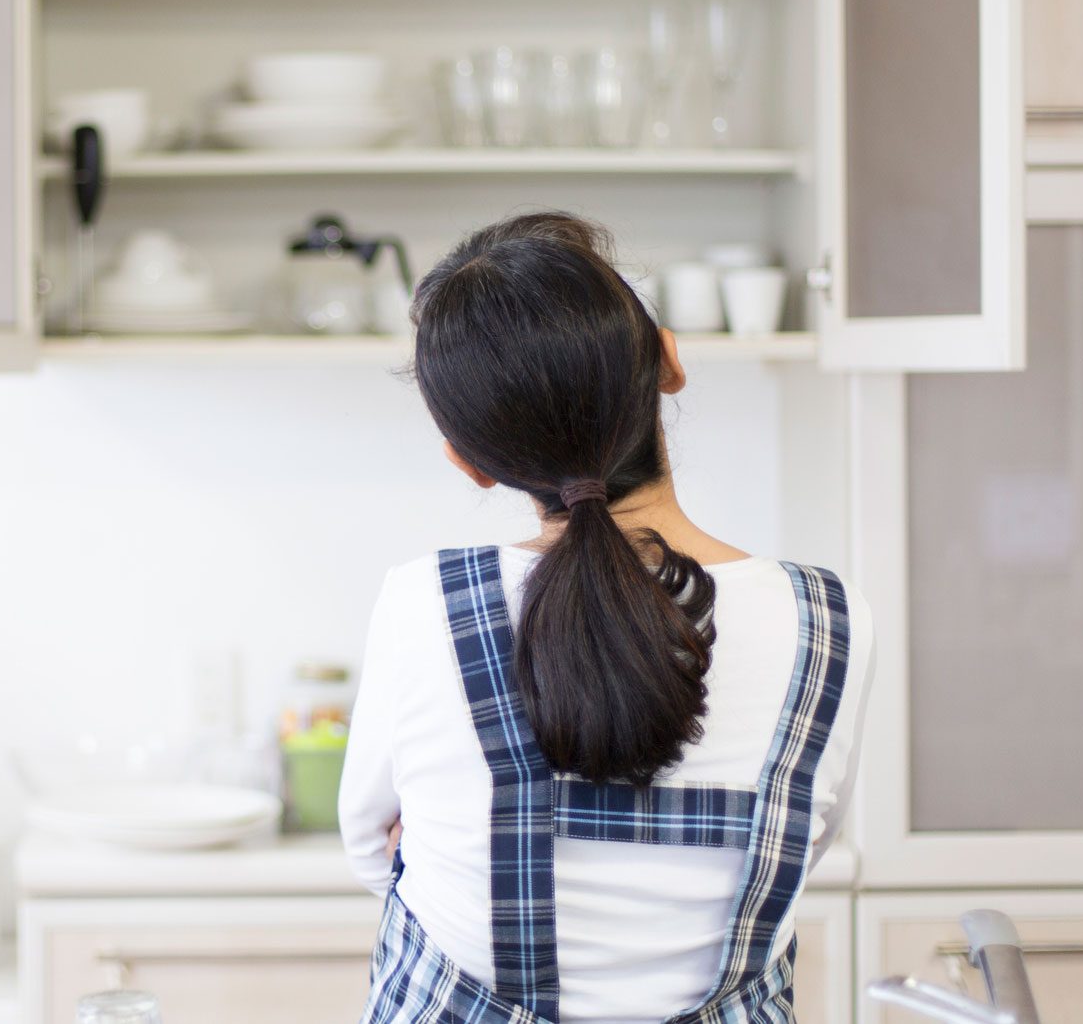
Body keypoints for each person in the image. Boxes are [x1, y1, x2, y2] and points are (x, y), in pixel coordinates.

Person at [338, 212, 875, 1024]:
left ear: (469, 461)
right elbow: (798, 847)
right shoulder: (831, 622)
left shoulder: (422, 605)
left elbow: (373, 852)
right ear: (668, 360)